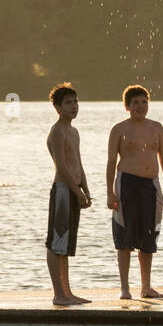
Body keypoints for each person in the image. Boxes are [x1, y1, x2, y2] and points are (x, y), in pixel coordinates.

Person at [106, 84, 163, 299]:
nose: (140, 106)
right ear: (127, 106)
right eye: (136, 102)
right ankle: (125, 288)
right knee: (124, 236)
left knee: (149, 235)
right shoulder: (119, 129)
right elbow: (110, 162)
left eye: (144, 102)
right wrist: (110, 192)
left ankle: (146, 287)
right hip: (126, 183)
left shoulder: (157, 127)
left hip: (151, 185)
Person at [45, 82, 92, 306]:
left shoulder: (73, 131)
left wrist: (86, 189)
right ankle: (58, 293)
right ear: (57, 107)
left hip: (74, 190)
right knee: (56, 242)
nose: (74, 106)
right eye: (68, 103)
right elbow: (62, 167)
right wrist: (75, 190)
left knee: (67, 245)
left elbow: (78, 163)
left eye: (75, 102)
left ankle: (68, 292)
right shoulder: (57, 131)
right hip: (63, 190)